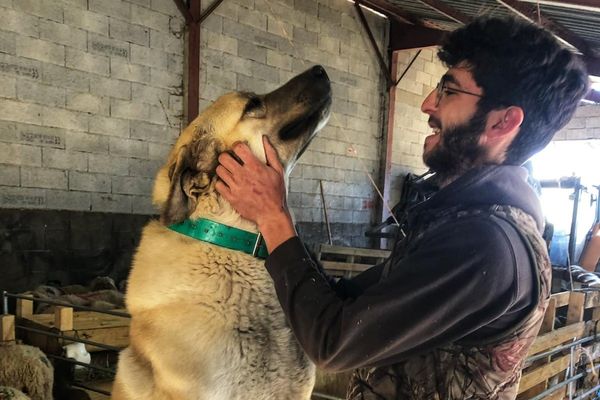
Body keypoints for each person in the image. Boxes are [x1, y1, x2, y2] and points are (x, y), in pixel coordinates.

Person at [215, 16, 589, 400]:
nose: (428, 103)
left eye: (449, 90)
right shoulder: (459, 221)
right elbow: (345, 300)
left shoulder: (486, 243)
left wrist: (273, 218)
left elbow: (334, 342)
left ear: (503, 122)